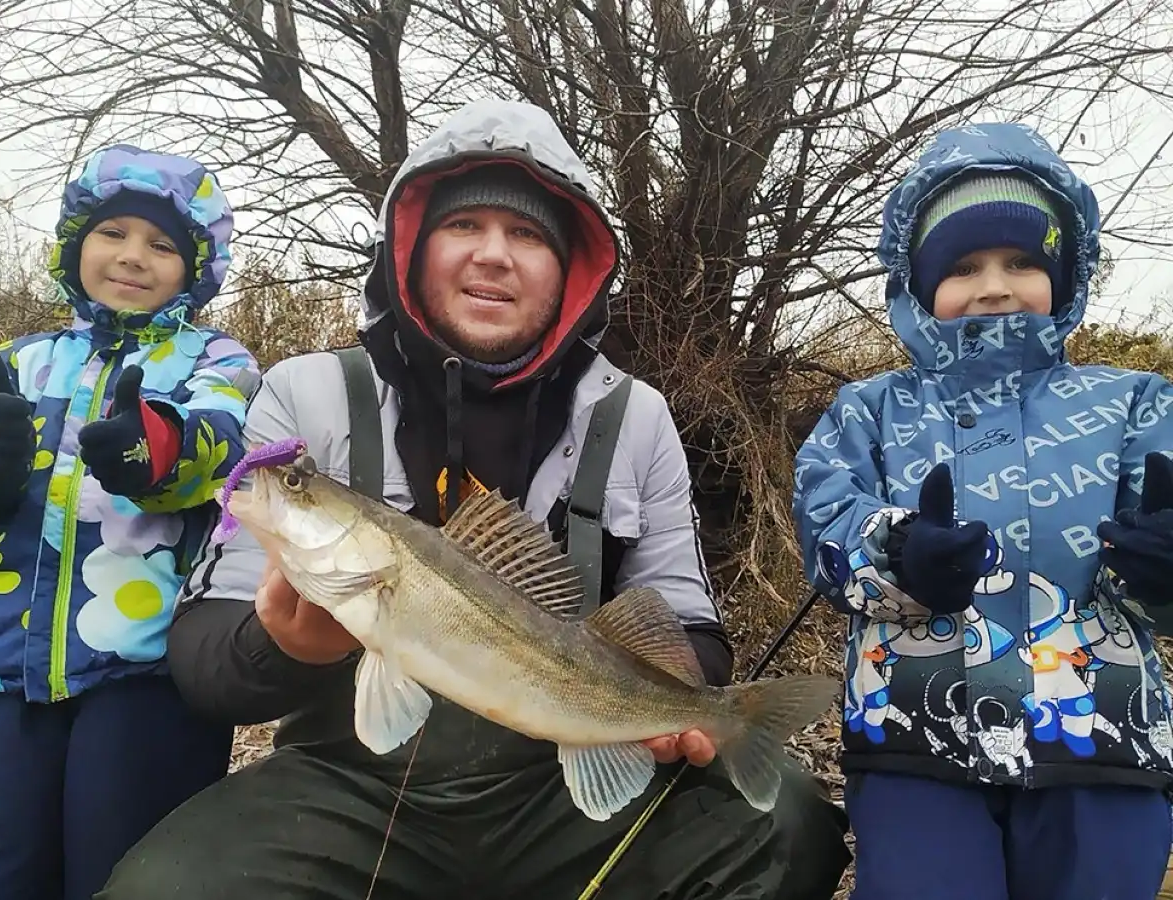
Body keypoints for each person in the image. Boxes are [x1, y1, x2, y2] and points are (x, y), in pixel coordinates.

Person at [98, 98, 852, 900]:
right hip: (348, 791)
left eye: (527, 234)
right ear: (412, 247)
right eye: (464, 226)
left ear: (571, 268)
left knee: (788, 829)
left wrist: (674, 703)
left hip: (565, 793)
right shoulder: (304, 394)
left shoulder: (635, 416)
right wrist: (287, 647)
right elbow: (206, 661)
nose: (493, 255)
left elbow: (688, 625)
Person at [793, 121, 1173, 900]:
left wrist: (1161, 563)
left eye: (1021, 262)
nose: (994, 286)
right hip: (914, 740)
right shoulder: (869, 411)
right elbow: (826, 524)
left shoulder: (1134, 403)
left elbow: (1155, 575)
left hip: (1104, 736)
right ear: (916, 284)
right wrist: (898, 551)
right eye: (963, 266)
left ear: (1065, 274)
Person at [0, 144, 261, 898]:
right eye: (112, 233)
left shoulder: (219, 362)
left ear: (195, 269)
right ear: (74, 246)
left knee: (123, 875)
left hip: (144, 673)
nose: (133, 255)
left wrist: (156, 447)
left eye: (162, 245)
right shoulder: (14, 363)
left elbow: (221, 448)